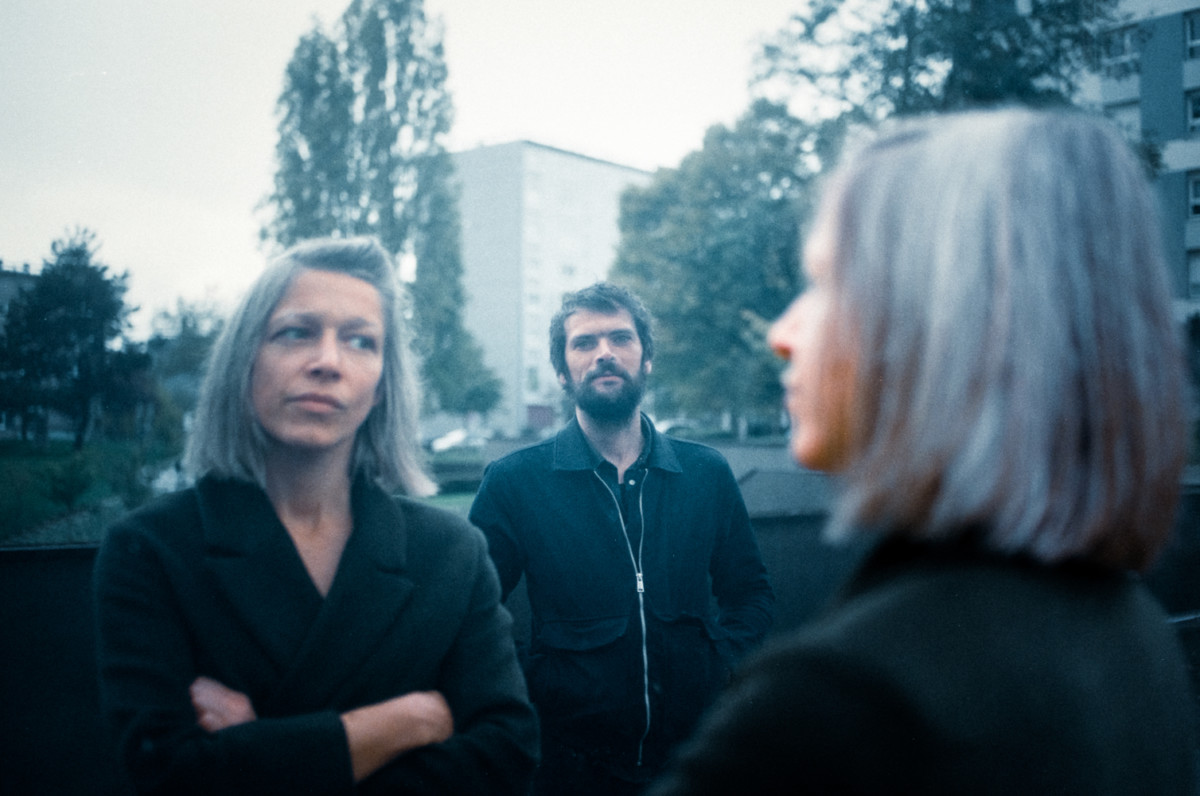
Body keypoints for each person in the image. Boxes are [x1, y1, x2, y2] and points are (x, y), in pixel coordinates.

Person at [648, 107, 1198, 795]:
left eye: (825, 283)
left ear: (938, 327)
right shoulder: (1133, 633)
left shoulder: (844, 702)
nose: (782, 334)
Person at [94, 237, 538, 795]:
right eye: (296, 332)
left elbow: (507, 756)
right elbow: (167, 775)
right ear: (245, 361)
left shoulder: (452, 553)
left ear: (382, 385)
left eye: (360, 341)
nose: (327, 361)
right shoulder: (150, 550)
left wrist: (263, 747)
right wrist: (401, 724)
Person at [468, 282, 775, 795]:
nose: (604, 353)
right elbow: (470, 612)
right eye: (585, 342)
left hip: (694, 761)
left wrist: (719, 667)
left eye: (620, 338)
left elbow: (751, 594)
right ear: (562, 371)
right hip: (568, 769)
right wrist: (536, 684)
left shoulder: (706, 473)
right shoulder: (514, 482)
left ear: (646, 358)